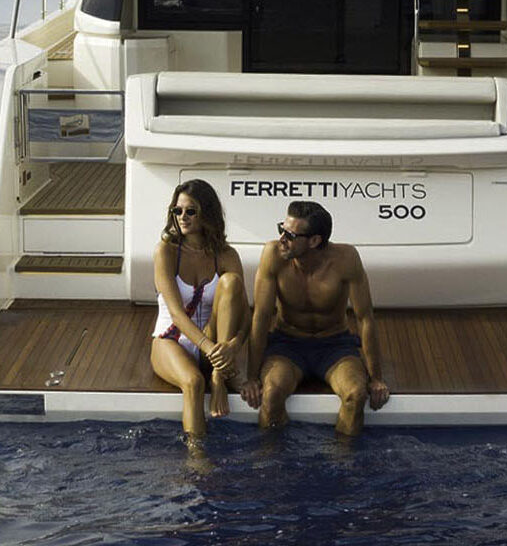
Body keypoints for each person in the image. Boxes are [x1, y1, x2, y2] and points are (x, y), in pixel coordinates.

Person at [241, 199, 390, 436]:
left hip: (334, 346)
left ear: (314, 240)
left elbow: (365, 319)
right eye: (282, 229)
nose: (282, 239)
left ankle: (343, 465)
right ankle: (273, 464)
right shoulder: (273, 255)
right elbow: (261, 317)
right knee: (271, 395)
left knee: (355, 395)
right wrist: (251, 376)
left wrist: (376, 378)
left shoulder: (346, 259)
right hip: (287, 344)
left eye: (290, 235)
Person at [150, 178, 247, 439]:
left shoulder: (226, 255)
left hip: (214, 342)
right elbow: (177, 314)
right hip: (171, 339)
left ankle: (218, 378)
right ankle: (197, 461)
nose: (182, 217)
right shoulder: (166, 252)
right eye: (177, 211)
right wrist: (215, 352)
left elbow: (244, 314)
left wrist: (233, 347)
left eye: (190, 211)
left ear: (207, 214)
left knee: (231, 282)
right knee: (193, 383)